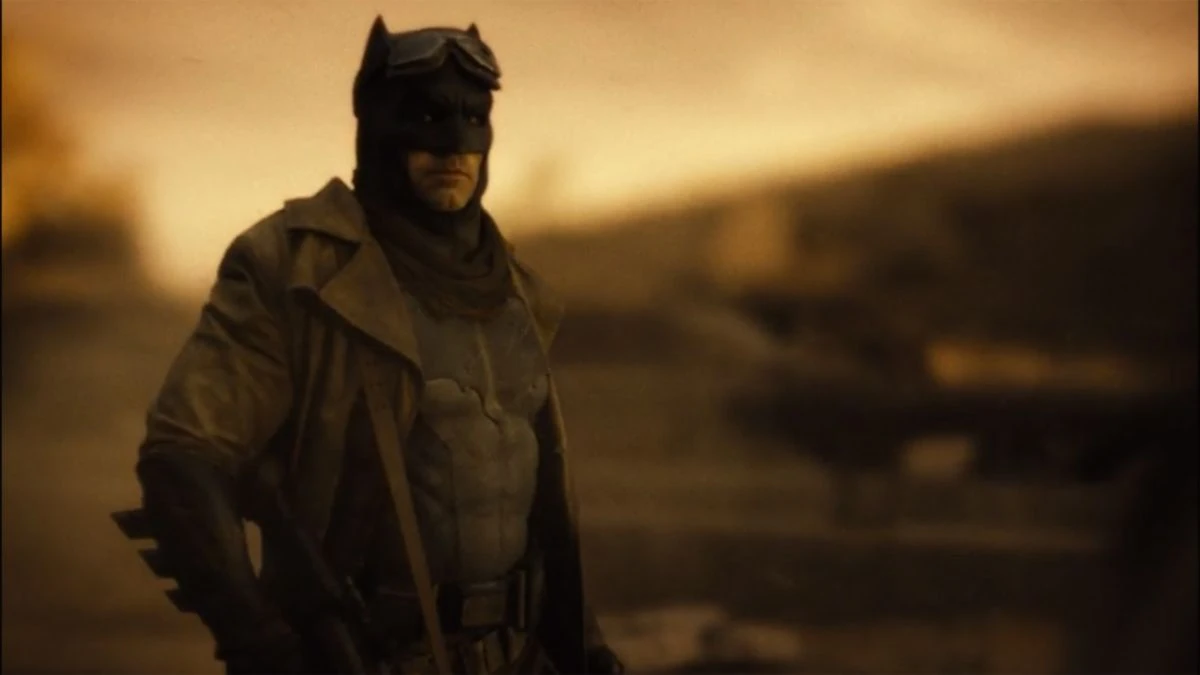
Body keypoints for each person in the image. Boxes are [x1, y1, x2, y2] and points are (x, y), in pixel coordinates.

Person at [126, 17, 624, 675]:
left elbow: (544, 504)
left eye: (473, 119)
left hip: (519, 656)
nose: (453, 145)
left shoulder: (512, 285)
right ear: (376, 127)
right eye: (427, 116)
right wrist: (264, 646)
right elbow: (183, 456)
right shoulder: (295, 267)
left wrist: (585, 651)